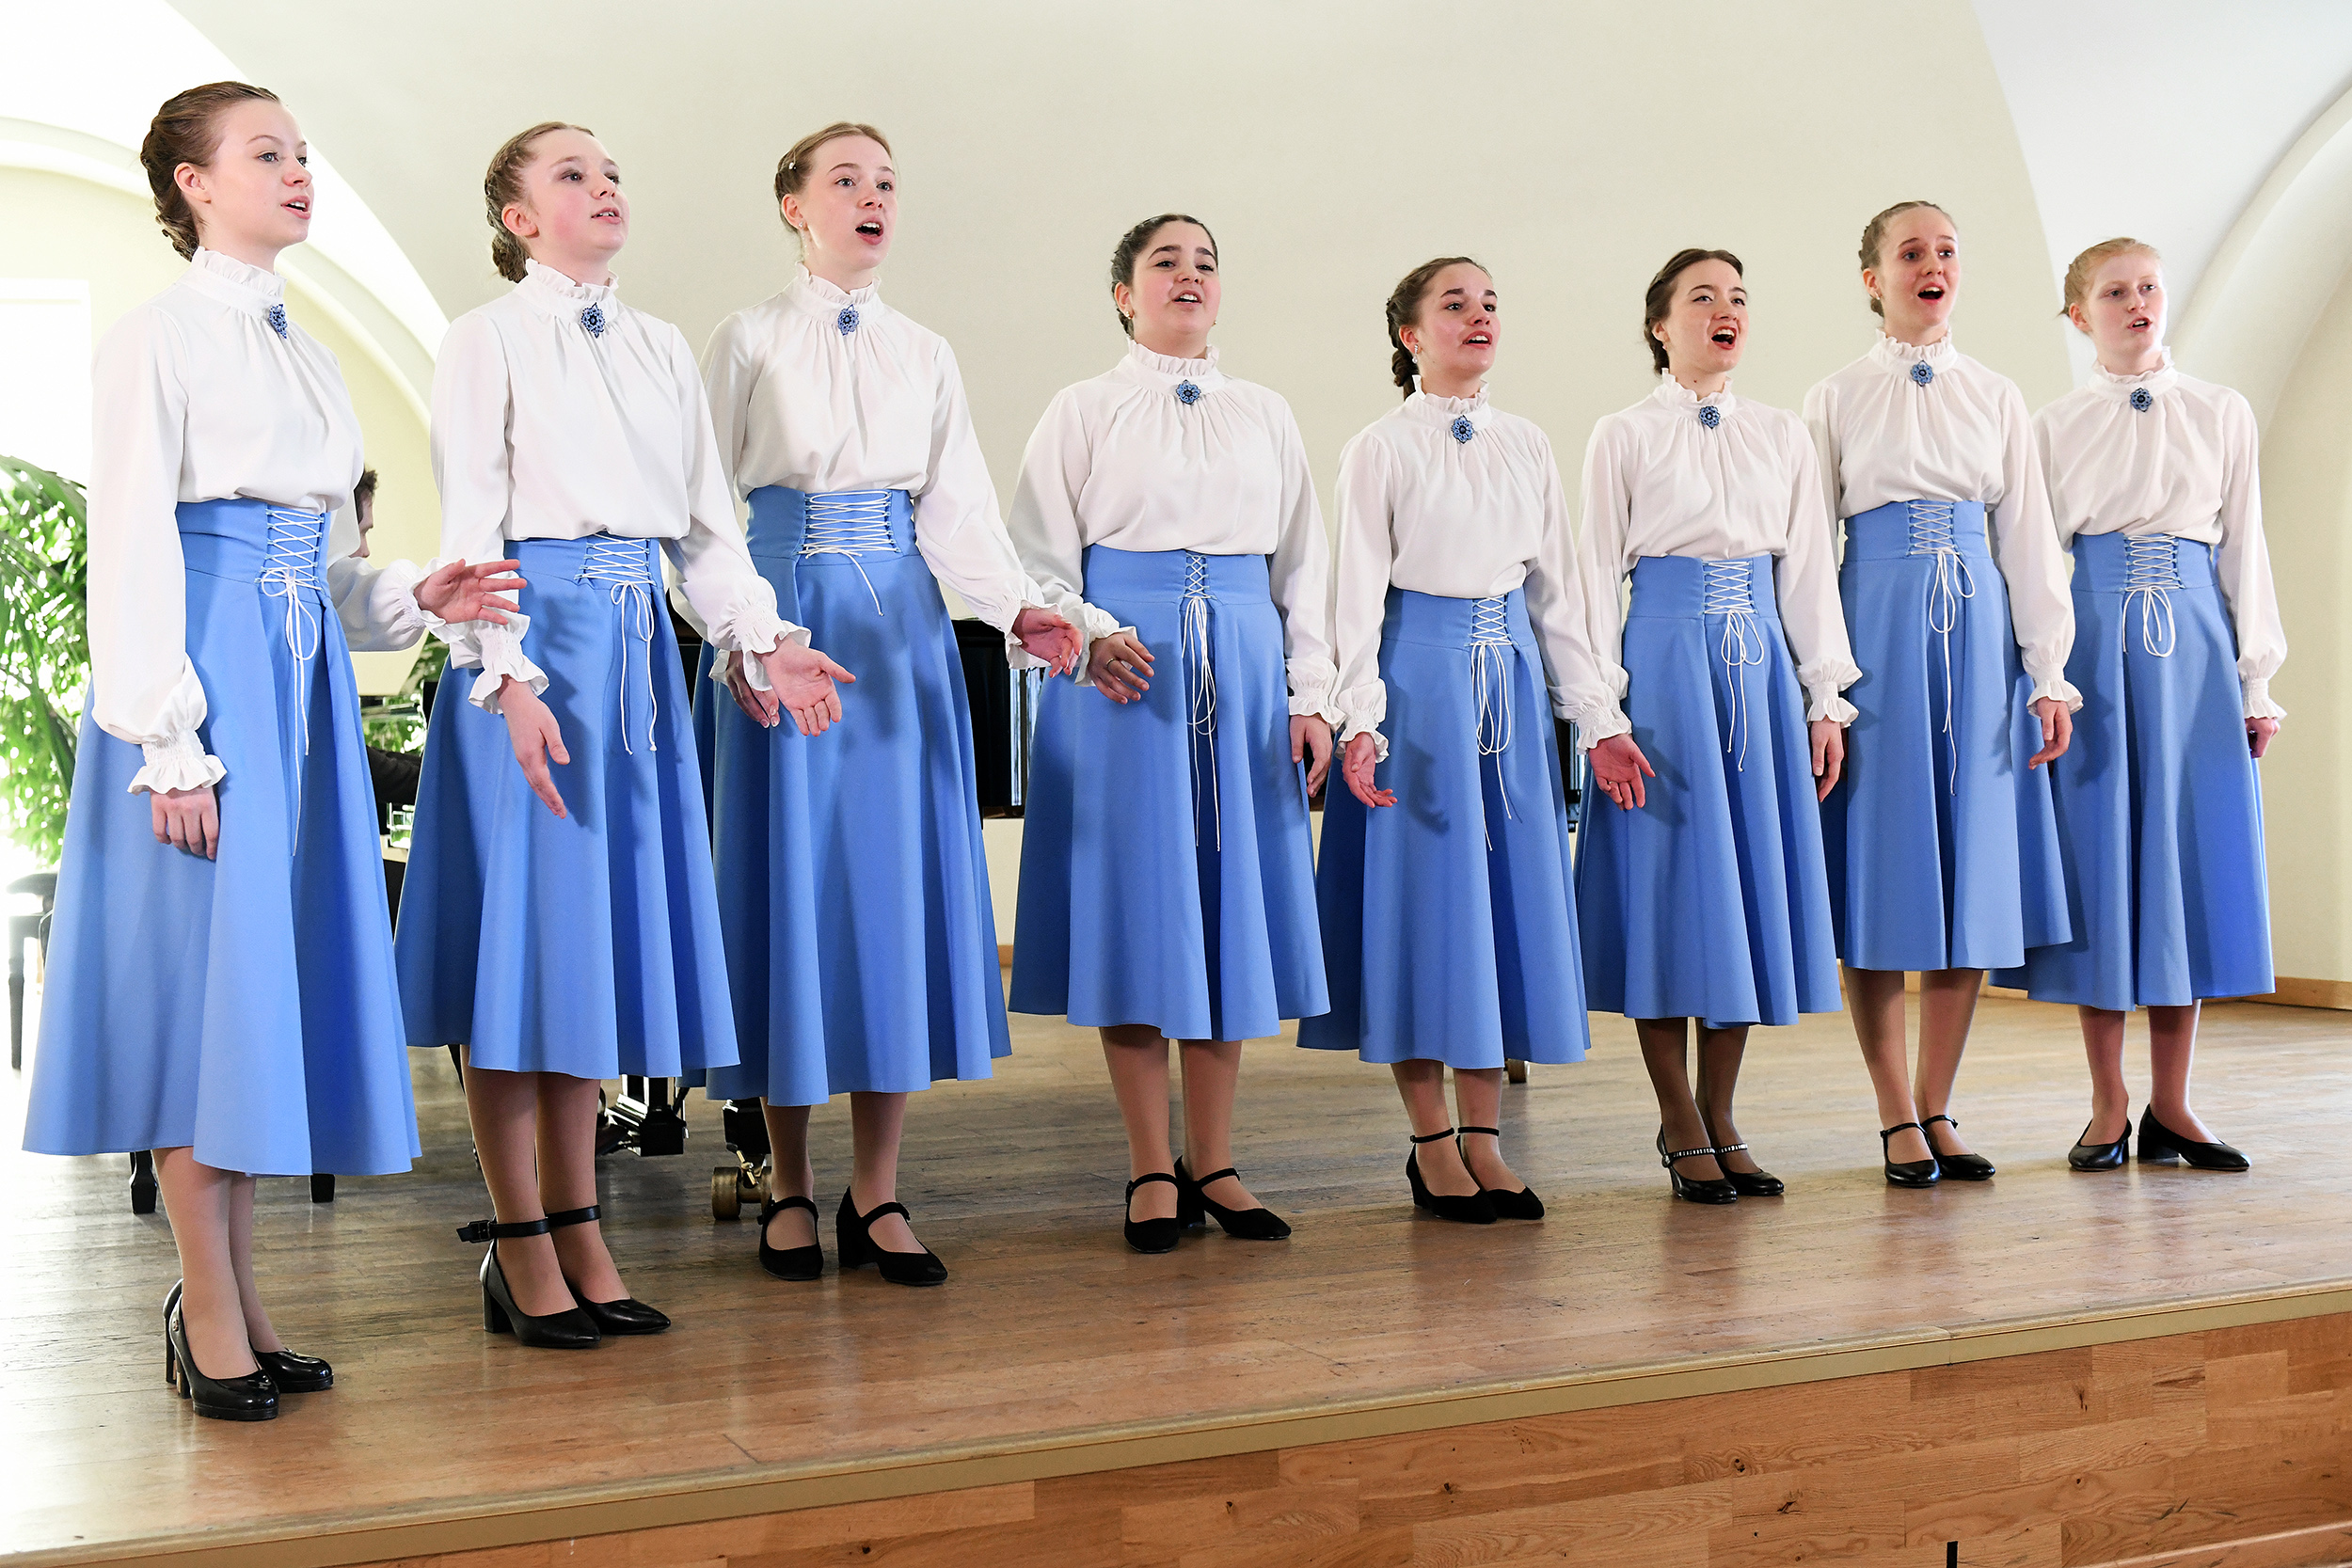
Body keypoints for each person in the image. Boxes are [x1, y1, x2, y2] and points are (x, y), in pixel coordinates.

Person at [23, 82, 518, 1418]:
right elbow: (133, 548)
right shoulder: (154, 338)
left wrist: (419, 594)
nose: (300, 172)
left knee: (257, 1006)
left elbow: (331, 574)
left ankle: (235, 1300)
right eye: (267, 154)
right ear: (193, 185)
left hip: (296, 688)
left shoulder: (307, 351)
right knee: (208, 1003)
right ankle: (206, 1307)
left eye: (303, 153)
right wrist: (169, 742)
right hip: (209, 698)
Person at [397, 121, 847, 1345]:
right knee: (523, 961)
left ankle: (582, 1227)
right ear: (517, 218)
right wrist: (505, 676)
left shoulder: (657, 345)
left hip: (638, 653)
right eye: (571, 175)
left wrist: (760, 638)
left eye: (610, 172)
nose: (603, 187)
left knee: (586, 958)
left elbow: (705, 532)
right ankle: (519, 1242)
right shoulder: (483, 338)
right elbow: (470, 528)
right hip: (533, 653)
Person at [693, 122, 1078, 1288]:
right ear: (793, 205)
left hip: (900, 630)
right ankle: (788, 1181)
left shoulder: (926, 350)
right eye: (847, 180)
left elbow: (958, 512)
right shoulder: (746, 337)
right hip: (785, 620)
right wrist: (751, 638)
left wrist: (1017, 609)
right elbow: (698, 508)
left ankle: (879, 1187)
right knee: (790, 892)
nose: (872, 199)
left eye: (887, 184)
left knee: (887, 898)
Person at [1008, 214, 1336, 1253]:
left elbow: (1303, 566)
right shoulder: (1082, 408)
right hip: (1128, 671)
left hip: (1240, 665)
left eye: (1205, 263)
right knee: (1139, 908)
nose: (1189, 275)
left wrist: (1309, 694)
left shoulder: (1265, 411)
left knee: (1227, 907)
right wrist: (1090, 635)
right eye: (1165, 262)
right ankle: (1152, 1161)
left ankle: (1217, 1160)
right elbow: (1035, 557)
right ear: (1124, 294)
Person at [1301, 257, 1609, 1225]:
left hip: (1506, 682)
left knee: (1502, 905)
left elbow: (1558, 595)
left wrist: (1595, 716)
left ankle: (1486, 1136)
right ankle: (1430, 1138)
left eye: (1489, 304)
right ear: (1410, 334)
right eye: (1454, 304)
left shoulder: (1527, 442)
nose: (1479, 316)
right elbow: (1354, 595)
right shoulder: (1379, 448)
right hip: (1419, 688)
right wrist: (1362, 718)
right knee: (1425, 905)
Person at [1576, 247, 1859, 1204]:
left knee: (1744, 884)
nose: (1725, 310)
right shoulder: (1622, 434)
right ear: (1660, 325)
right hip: (1663, 671)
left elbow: (1808, 574)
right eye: (1702, 297)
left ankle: (1720, 1111)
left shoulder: (1781, 434)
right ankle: (1676, 1113)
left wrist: (1823, 698)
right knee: (1669, 889)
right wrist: (1602, 713)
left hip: (1758, 670)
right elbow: (1591, 578)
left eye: (1737, 296)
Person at [1994, 238, 2284, 1173]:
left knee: (2181, 865)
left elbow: (2245, 547)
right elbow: (2033, 559)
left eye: (2148, 286)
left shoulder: (2221, 410)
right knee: (2104, 865)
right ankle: (2107, 1103)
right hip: (2094, 650)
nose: (2137, 302)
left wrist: (2256, 678)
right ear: (2079, 315)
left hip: (2194, 651)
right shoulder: (2051, 426)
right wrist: (2046, 675)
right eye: (2114, 291)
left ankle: (2174, 1103)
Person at [1804, 202, 2077, 1186]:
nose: (1933, 265)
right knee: (1885, 869)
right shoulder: (1833, 396)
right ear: (1872, 278)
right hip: (1877, 630)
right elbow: (1808, 550)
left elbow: (2029, 539)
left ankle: (1937, 1102)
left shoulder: (1996, 394)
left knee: (1972, 869)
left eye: (1947, 251)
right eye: (1910, 252)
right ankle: (1892, 1110)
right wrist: (1825, 689)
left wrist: (2047, 673)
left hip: (1979, 641)